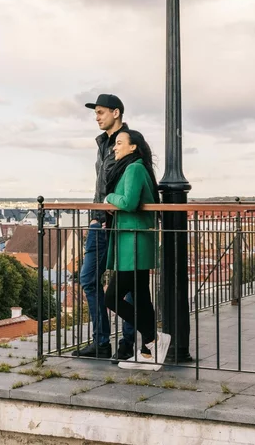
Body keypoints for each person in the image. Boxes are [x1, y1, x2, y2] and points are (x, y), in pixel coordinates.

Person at [73, 93, 136, 360]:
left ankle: (128, 341)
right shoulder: (103, 144)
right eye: (95, 113)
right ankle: (101, 341)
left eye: (100, 112)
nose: (97, 117)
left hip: (119, 222)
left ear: (116, 112)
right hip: (100, 221)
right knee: (88, 278)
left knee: (128, 284)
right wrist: (95, 216)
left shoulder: (127, 142)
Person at [103, 128, 169, 370]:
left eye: (119, 143)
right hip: (136, 241)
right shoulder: (137, 167)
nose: (114, 147)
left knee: (112, 297)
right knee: (141, 297)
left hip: (133, 243)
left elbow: (129, 202)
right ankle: (148, 352)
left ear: (133, 147)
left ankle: (152, 338)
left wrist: (110, 197)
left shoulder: (134, 168)